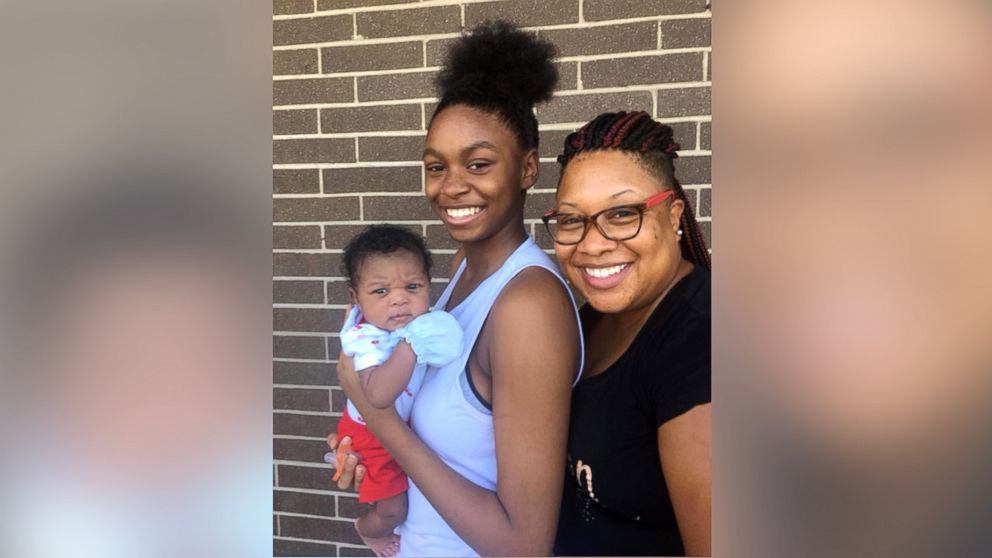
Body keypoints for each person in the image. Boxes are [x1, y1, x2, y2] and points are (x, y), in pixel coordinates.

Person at [329, 20, 583, 557]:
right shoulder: (460, 270)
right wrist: (370, 443)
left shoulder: (527, 305)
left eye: (479, 163)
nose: (452, 186)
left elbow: (524, 545)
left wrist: (377, 416)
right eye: (435, 166)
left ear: (528, 168)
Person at [545, 111, 712, 556]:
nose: (592, 243)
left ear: (673, 215)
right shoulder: (591, 319)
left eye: (622, 214)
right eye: (570, 219)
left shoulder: (705, 345)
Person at [331, 225, 463, 556]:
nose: (399, 298)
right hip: (370, 435)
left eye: (413, 286)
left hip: (394, 428)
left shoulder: (420, 326)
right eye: (380, 292)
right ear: (355, 298)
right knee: (394, 510)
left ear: (429, 287)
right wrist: (411, 345)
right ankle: (368, 530)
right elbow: (376, 395)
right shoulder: (367, 339)